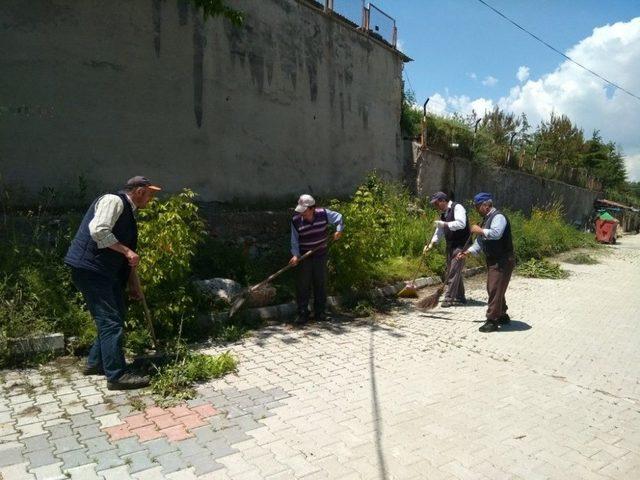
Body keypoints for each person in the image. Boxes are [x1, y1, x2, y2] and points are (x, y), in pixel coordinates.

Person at [65, 176, 161, 389]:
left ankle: (96, 362)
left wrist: (133, 285)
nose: (151, 198)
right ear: (138, 191)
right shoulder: (114, 201)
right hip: (90, 269)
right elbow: (99, 230)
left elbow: (128, 259)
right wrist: (126, 250)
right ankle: (116, 376)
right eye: (150, 193)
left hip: (104, 272)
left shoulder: (129, 213)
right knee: (110, 321)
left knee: (116, 314)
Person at [457, 192, 515, 333]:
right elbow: (480, 242)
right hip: (494, 259)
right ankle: (502, 314)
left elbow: (496, 234)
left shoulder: (498, 217)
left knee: (494, 288)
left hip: (503, 260)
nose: (476, 209)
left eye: (477, 206)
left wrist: (480, 230)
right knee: (495, 288)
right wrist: (467, 252)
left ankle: (492, 320)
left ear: (486, 205)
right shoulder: (486, 219)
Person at [289, 194, 343, 324]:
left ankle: (320, 313)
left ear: (312, 208)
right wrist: (295, 255)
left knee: (320, 283)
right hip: (304, 257)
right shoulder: (296, 220)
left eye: (304, 211)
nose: (302, 213)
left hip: (320, 255)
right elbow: (294, 241)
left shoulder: (323, 214)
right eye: (300, 210)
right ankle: (302, 313)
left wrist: (338, 230)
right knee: (303, 285)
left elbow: (339, 218)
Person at [423, 191, 470, 307]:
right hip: (451, 245)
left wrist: (444, 224)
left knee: (453, 271)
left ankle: (449, 298)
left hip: (461, 245)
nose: (435, 206)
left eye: (436, 203)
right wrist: (432, 244)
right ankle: (460, 296)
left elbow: (461, 224)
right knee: (453, 270)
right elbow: (439, 231)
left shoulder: (457, 207)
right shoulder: (444, 213)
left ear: (443, 201)